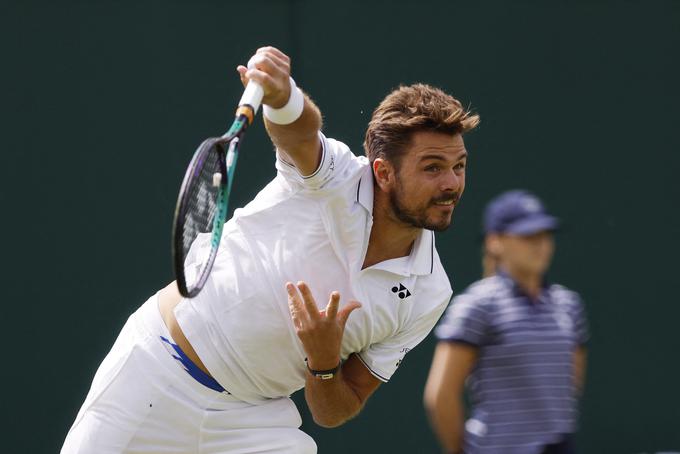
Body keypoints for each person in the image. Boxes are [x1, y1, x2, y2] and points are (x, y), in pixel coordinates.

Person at [61, 46, 479, 453]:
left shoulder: (429, 293)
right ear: (383, 173)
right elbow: (300, 131)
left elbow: (336, 410)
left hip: (252, 421)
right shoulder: (334, 178)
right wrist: (283, 97)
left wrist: (324, 361)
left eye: (458, 166)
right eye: (433, 168)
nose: (452, 184)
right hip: (153, 369)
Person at [424, 190, 589, 454]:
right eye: (527, 236)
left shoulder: (569, 305)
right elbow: (440, 395)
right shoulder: (477, 305)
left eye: (544, 235)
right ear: (494, 242)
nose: (540, 245)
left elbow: (569, 384)